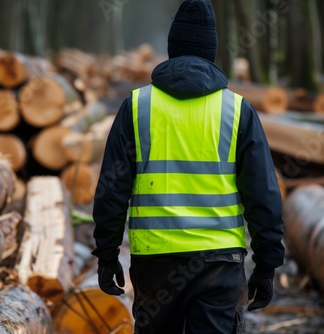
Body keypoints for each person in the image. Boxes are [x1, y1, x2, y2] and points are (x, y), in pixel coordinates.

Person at [92, 0, 285, 332]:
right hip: (219, 265)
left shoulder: (137, 107)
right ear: (211, 51)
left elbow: (111, 190)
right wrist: (267, 264)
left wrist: (107, 254)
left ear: (172, 49)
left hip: (155, 264)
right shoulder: (237, 111)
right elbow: (263, 195)